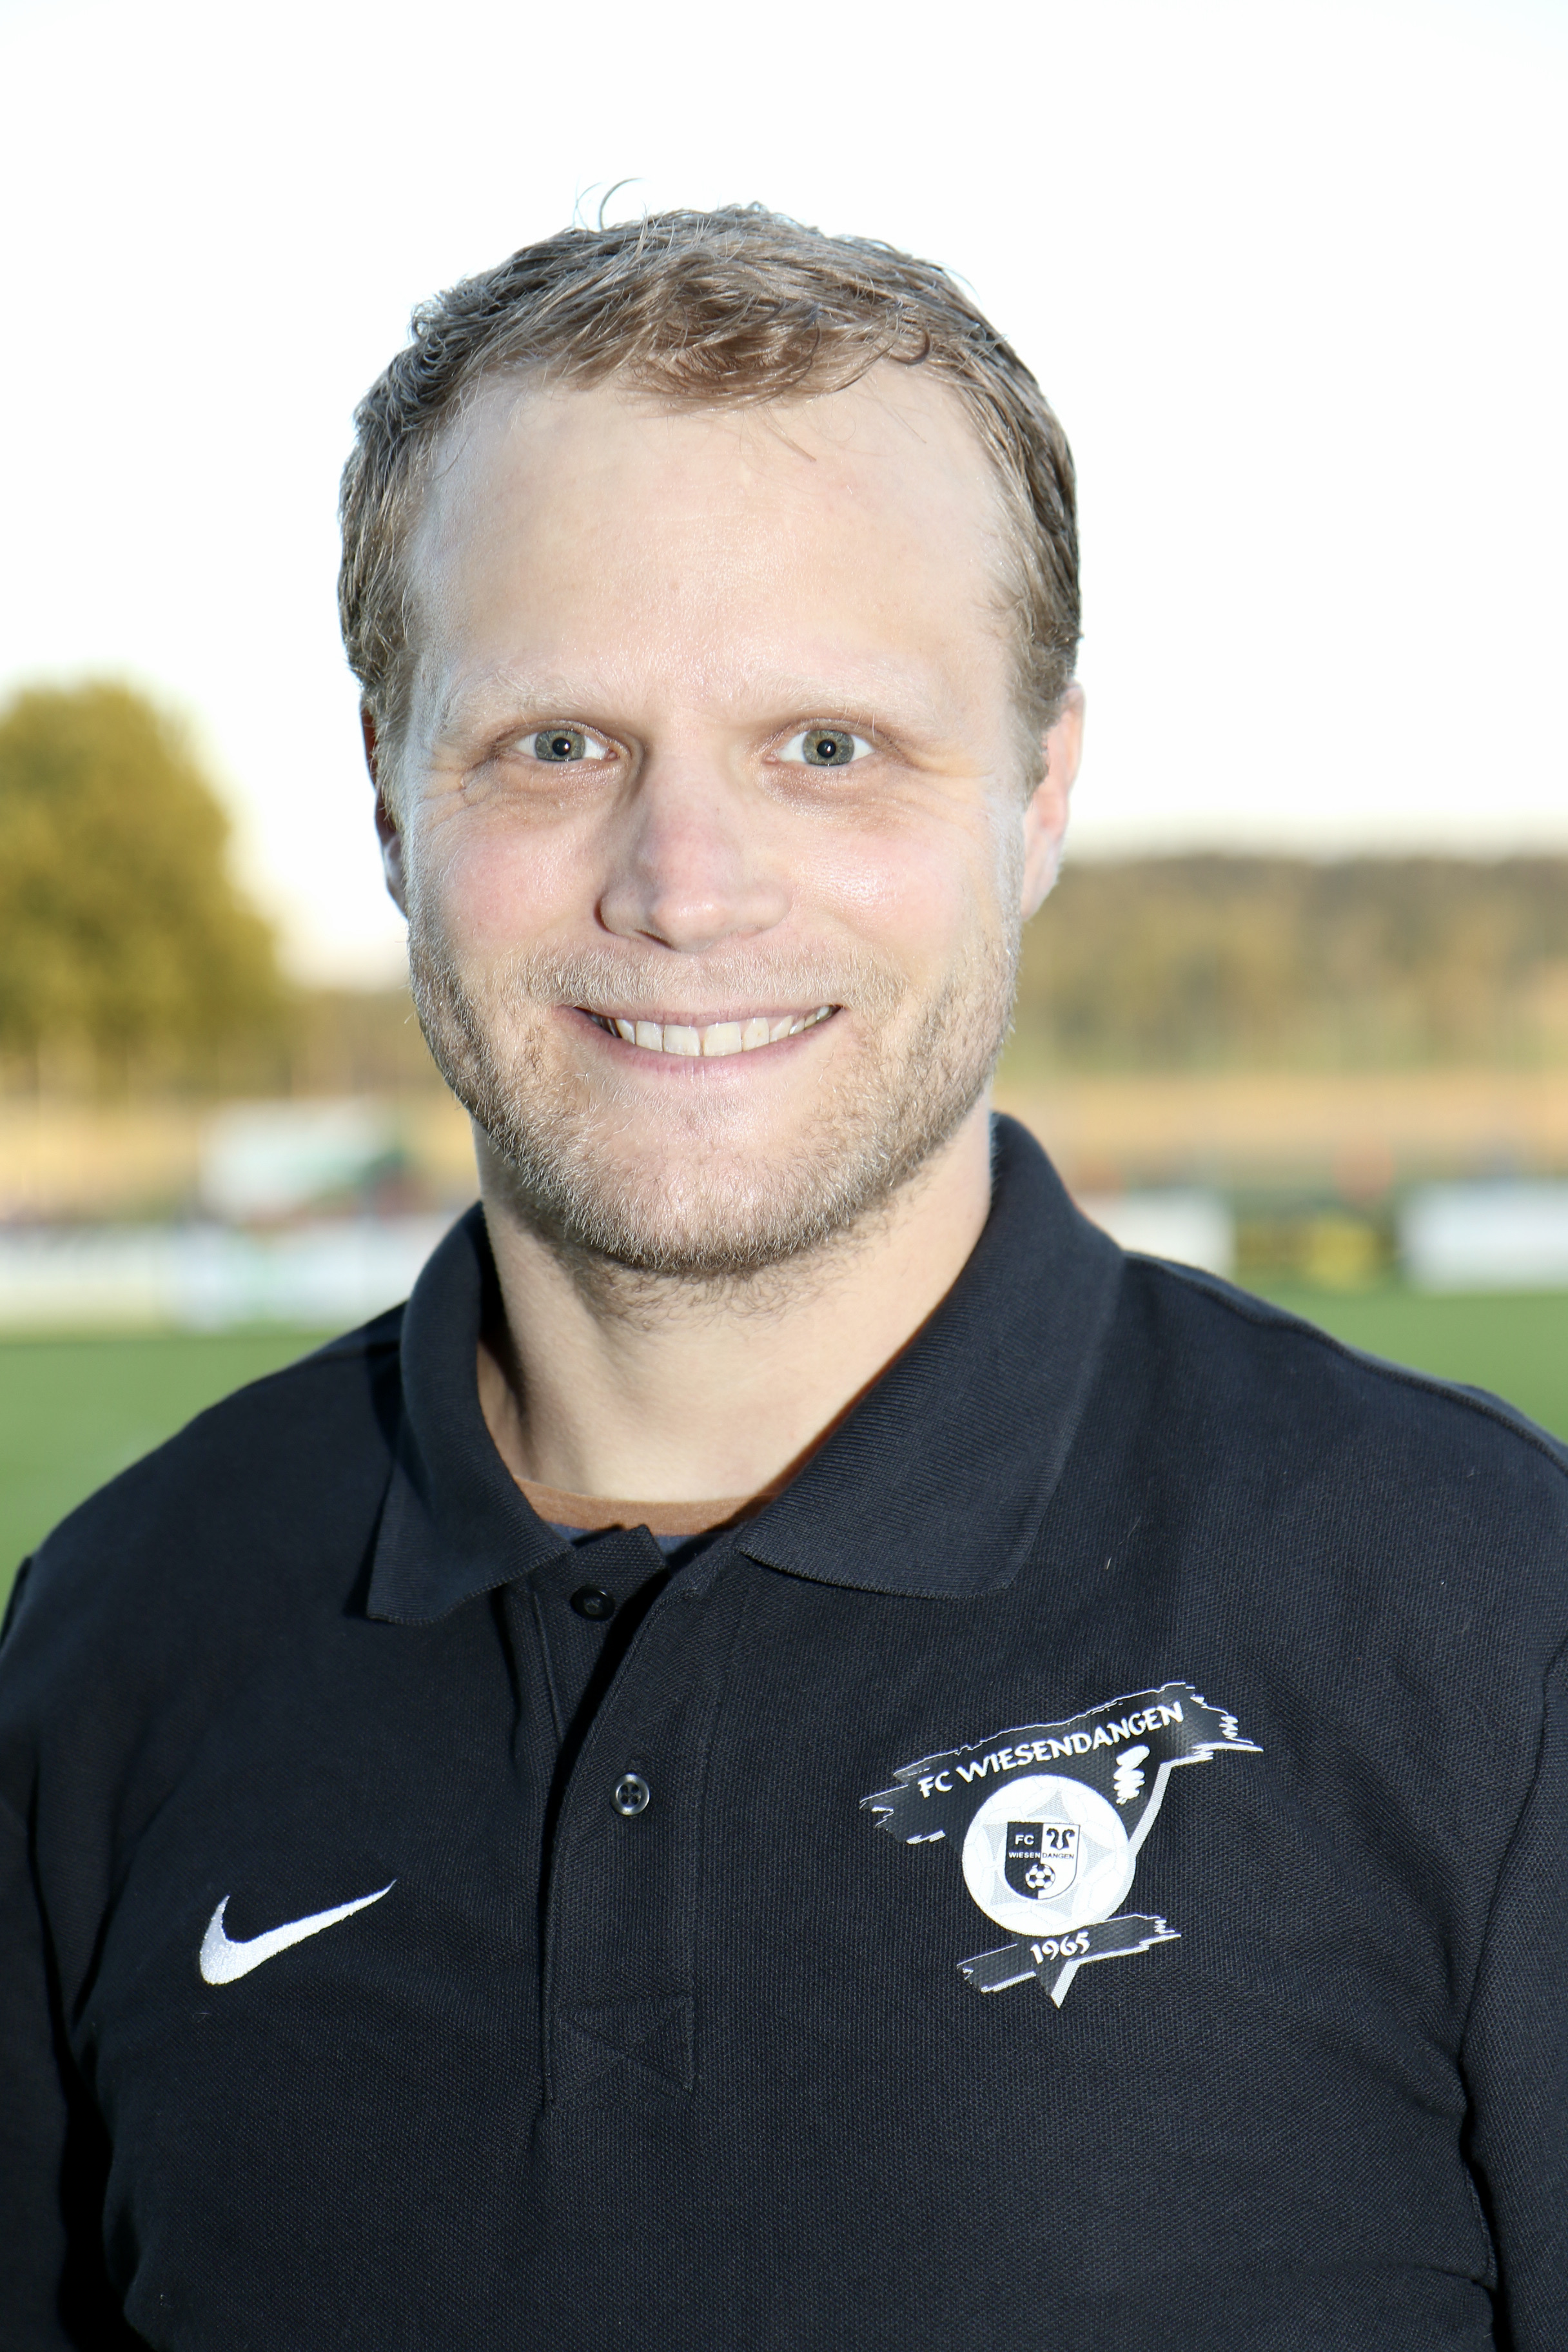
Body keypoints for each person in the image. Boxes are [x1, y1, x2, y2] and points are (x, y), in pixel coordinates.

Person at [2, 206, 1565, 2352]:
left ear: (1041, 793)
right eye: (558, 744)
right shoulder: (113, 1642)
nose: (686, 887)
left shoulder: (1488, 1619)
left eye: (827, 746)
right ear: (384, 792)